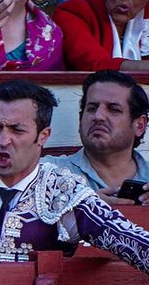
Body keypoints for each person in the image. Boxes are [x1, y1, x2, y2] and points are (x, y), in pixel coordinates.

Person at [0, 78, 149, 273]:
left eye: (16, 130)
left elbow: (132, 242)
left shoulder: (64, 191)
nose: (2, 140)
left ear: (43, 136)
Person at [55, 70, 149, 205]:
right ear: (80, 119)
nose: (98, 116)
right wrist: (84, 208)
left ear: (139, 125)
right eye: (92, 108)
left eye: (113, 109)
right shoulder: (48, 172)